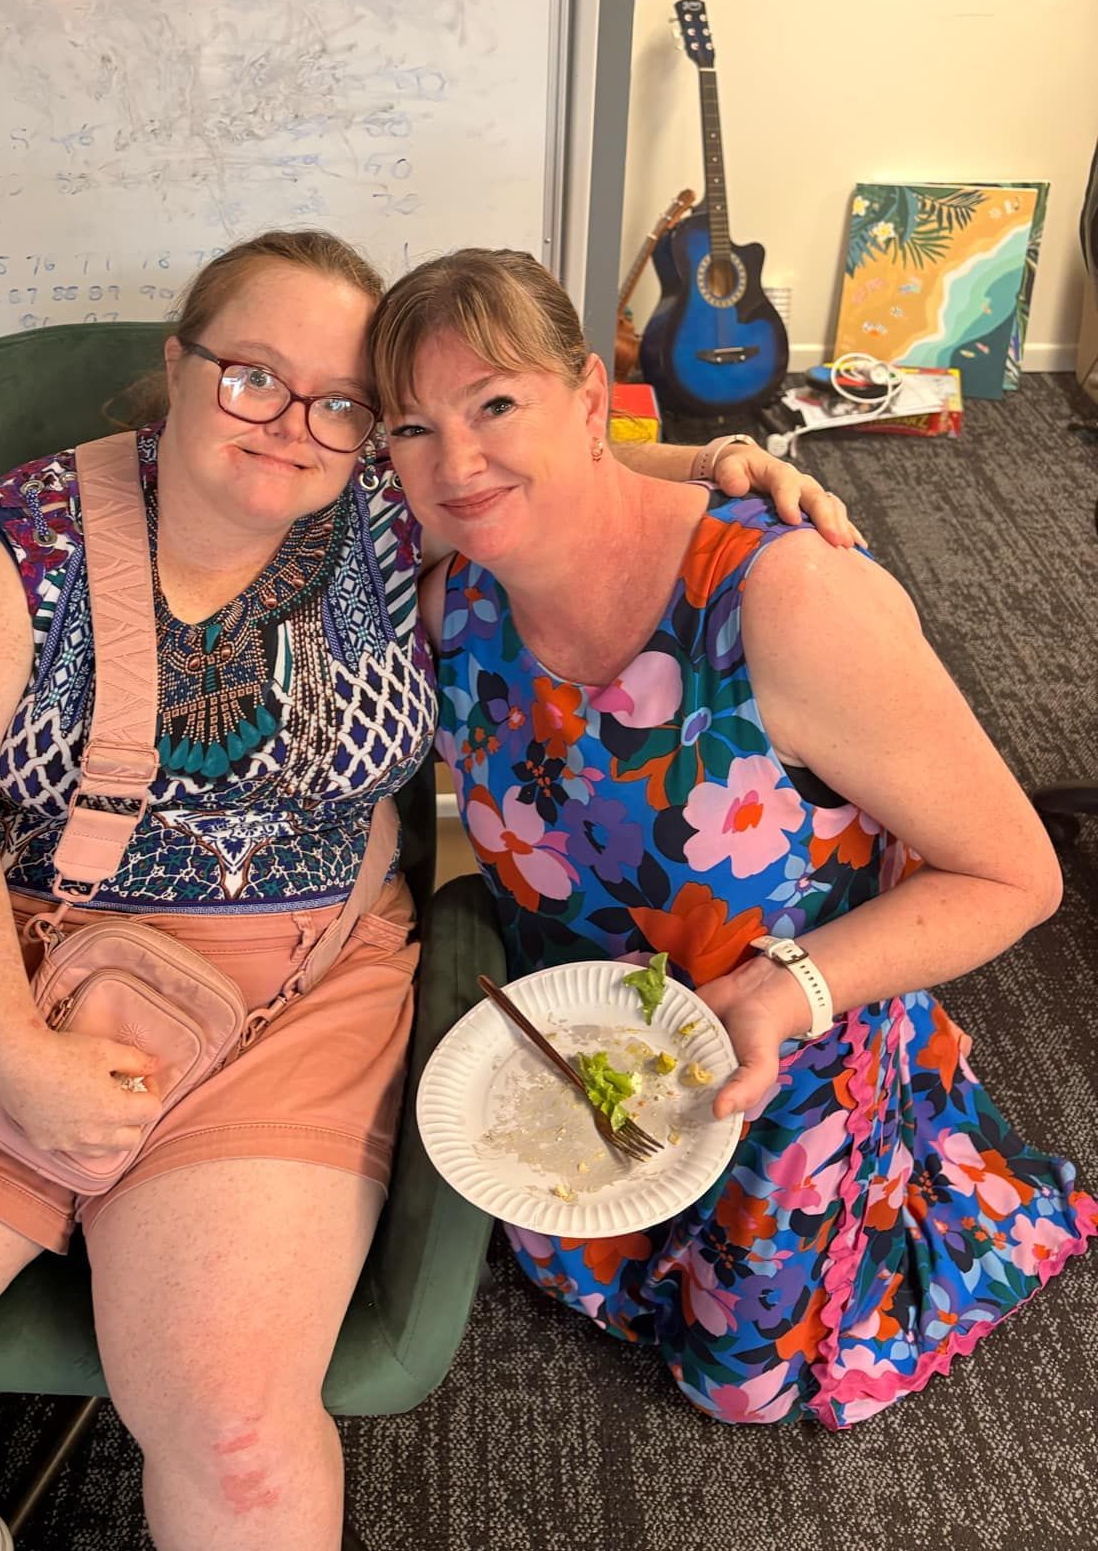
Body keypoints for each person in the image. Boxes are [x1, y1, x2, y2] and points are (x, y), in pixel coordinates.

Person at [0, 229, 846, 1551]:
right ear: (177, 369)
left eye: (342, 402)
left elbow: (534, 464)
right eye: (252, 375)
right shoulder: (8, 552)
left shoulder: (376, 505)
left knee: (238, 1436)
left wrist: (721, 466)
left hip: (292, 980)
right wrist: (10, 1048)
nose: (294, 427)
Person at [370, 247, 1094, 1430]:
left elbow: (1021, 875)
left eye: (496, 403)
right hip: (584, 1039)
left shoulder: (787, 600)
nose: (453, 462)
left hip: (782, 1043)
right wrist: (704, 447)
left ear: (593, 398)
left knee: (746, 1386)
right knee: (561, 1256)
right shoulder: (453, 593)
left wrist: (782, 992)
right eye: (409, 428)